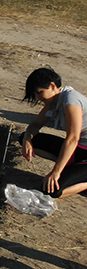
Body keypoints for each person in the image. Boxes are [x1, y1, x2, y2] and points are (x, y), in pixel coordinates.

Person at [20, 67, 87, 199]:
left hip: (81, 148)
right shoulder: (53, 101)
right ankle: (73, 167)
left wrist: (56, 171)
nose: (38, 98)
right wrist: (27, 139)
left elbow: (72, 138)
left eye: (39, 93)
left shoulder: (70, 101)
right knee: (24, 138)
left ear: (52, 86)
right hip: (79, 149)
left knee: (52, 191)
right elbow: (35, 125)